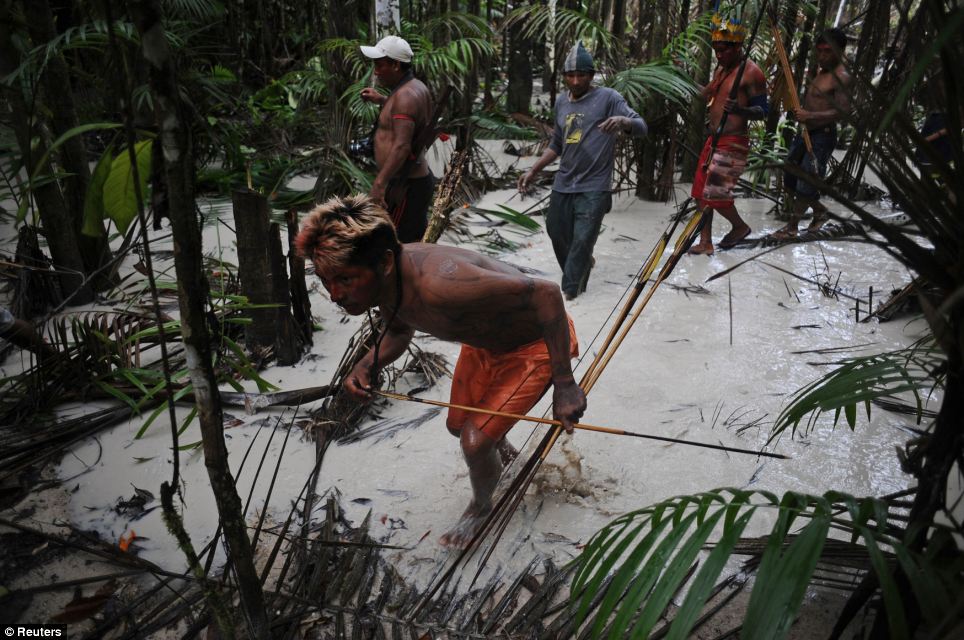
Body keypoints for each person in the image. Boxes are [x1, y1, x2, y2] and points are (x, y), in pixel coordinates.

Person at [295, 195, 587, 547]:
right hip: (484, 345)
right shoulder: (389, 284)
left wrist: (565, 383)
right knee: (457, 425)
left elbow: (547, 295)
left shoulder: (444, 283)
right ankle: (504, 451)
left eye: (344, 279)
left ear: (385, 263)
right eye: (327, 281)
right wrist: (366, 363)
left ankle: (481, 507)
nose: (334, 294)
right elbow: (400, 331)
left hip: (535, 345)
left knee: (474, 442)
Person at [517, 42, 647, 300]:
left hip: (595, 185)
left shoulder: (609, 98)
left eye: (582, 75)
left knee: (582, 240)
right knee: (556, 231)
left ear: (591, 74)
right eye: (571, 75)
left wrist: (623, 121)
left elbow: (641, 125)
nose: (576, 81)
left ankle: (570, 293)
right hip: (564, 182)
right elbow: (557, 144)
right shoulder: (561, 103)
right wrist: (533, 170)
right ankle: (582, 266)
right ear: (564, 76)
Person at [688, 15, 768, 256]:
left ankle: (740, 226)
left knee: (717, 195)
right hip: (714, 140)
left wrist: (740, 110)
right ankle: (706, 242)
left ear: (737, 47)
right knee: (700, 194)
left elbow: (763, 111)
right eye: (716, 50)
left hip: (733, 142)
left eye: (723, 50)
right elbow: (705, 95)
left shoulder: (752, 72)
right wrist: (681, 78)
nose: (718, 55)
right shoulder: (721, 70)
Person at [773, 28, 853, 239]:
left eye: (827, 51)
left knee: (806, 179)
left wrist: (810, 116)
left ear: (840, 50)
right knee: (790, 173)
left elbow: (843, 112)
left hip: (822, 135)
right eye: (819, 51)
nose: (822, 56)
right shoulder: (820, 72)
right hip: (805, 132)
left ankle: (792, 226)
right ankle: (819, 210)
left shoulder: (842, 76)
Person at [359, 35, 435, 243]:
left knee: (398, 247)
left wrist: (379, 184)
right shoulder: (412, 87)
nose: (375, 71)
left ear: (396, 65)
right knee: (406, 244)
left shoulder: (405, 97)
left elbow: (402, 146)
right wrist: (382, 99)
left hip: (405, 186)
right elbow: (408, 117)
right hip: (410, 183)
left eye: (380, 65)